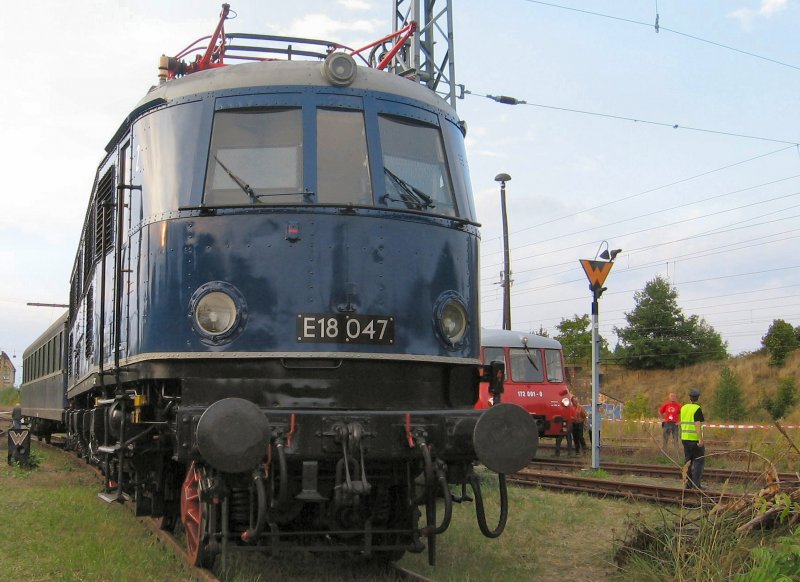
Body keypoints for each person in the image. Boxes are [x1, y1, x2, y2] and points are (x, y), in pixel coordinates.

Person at [680, 388, 705, 489]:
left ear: (689, 397)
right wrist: (700, 439)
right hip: (694, 439)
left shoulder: (683, 408)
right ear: (697, 398)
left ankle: (688, 483)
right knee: (699, 461)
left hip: (685, 438)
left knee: (688, 461)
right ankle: (696, 485)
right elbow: (697, 425)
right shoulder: (697, 409)